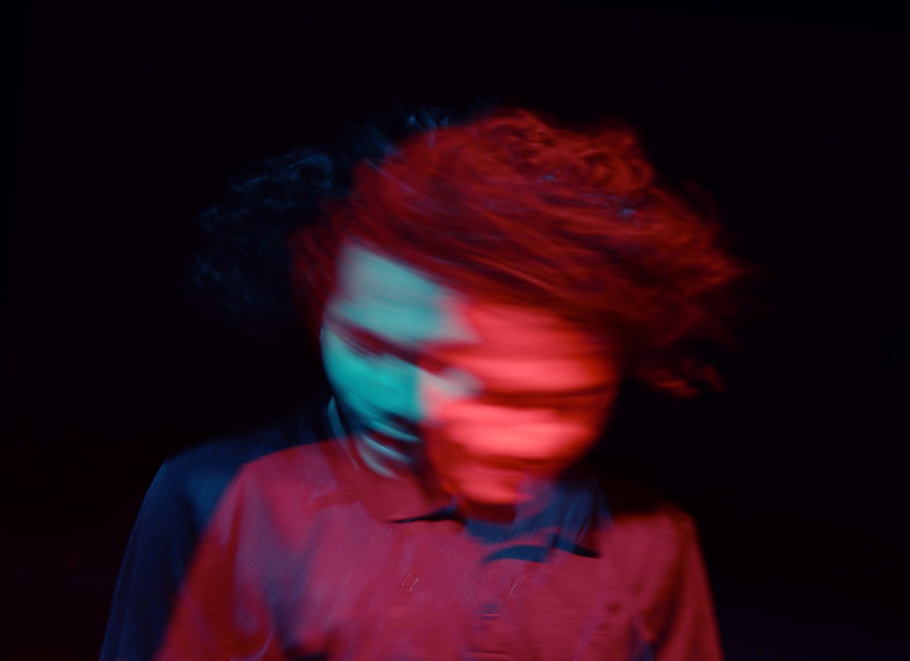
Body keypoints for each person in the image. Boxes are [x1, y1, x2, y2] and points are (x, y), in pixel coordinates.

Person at [105, 107, 742, 660]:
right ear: (318, 307)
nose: (410, 401)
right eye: (371, 345)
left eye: (464, 366)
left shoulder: (647, 538)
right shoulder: (213, 492)